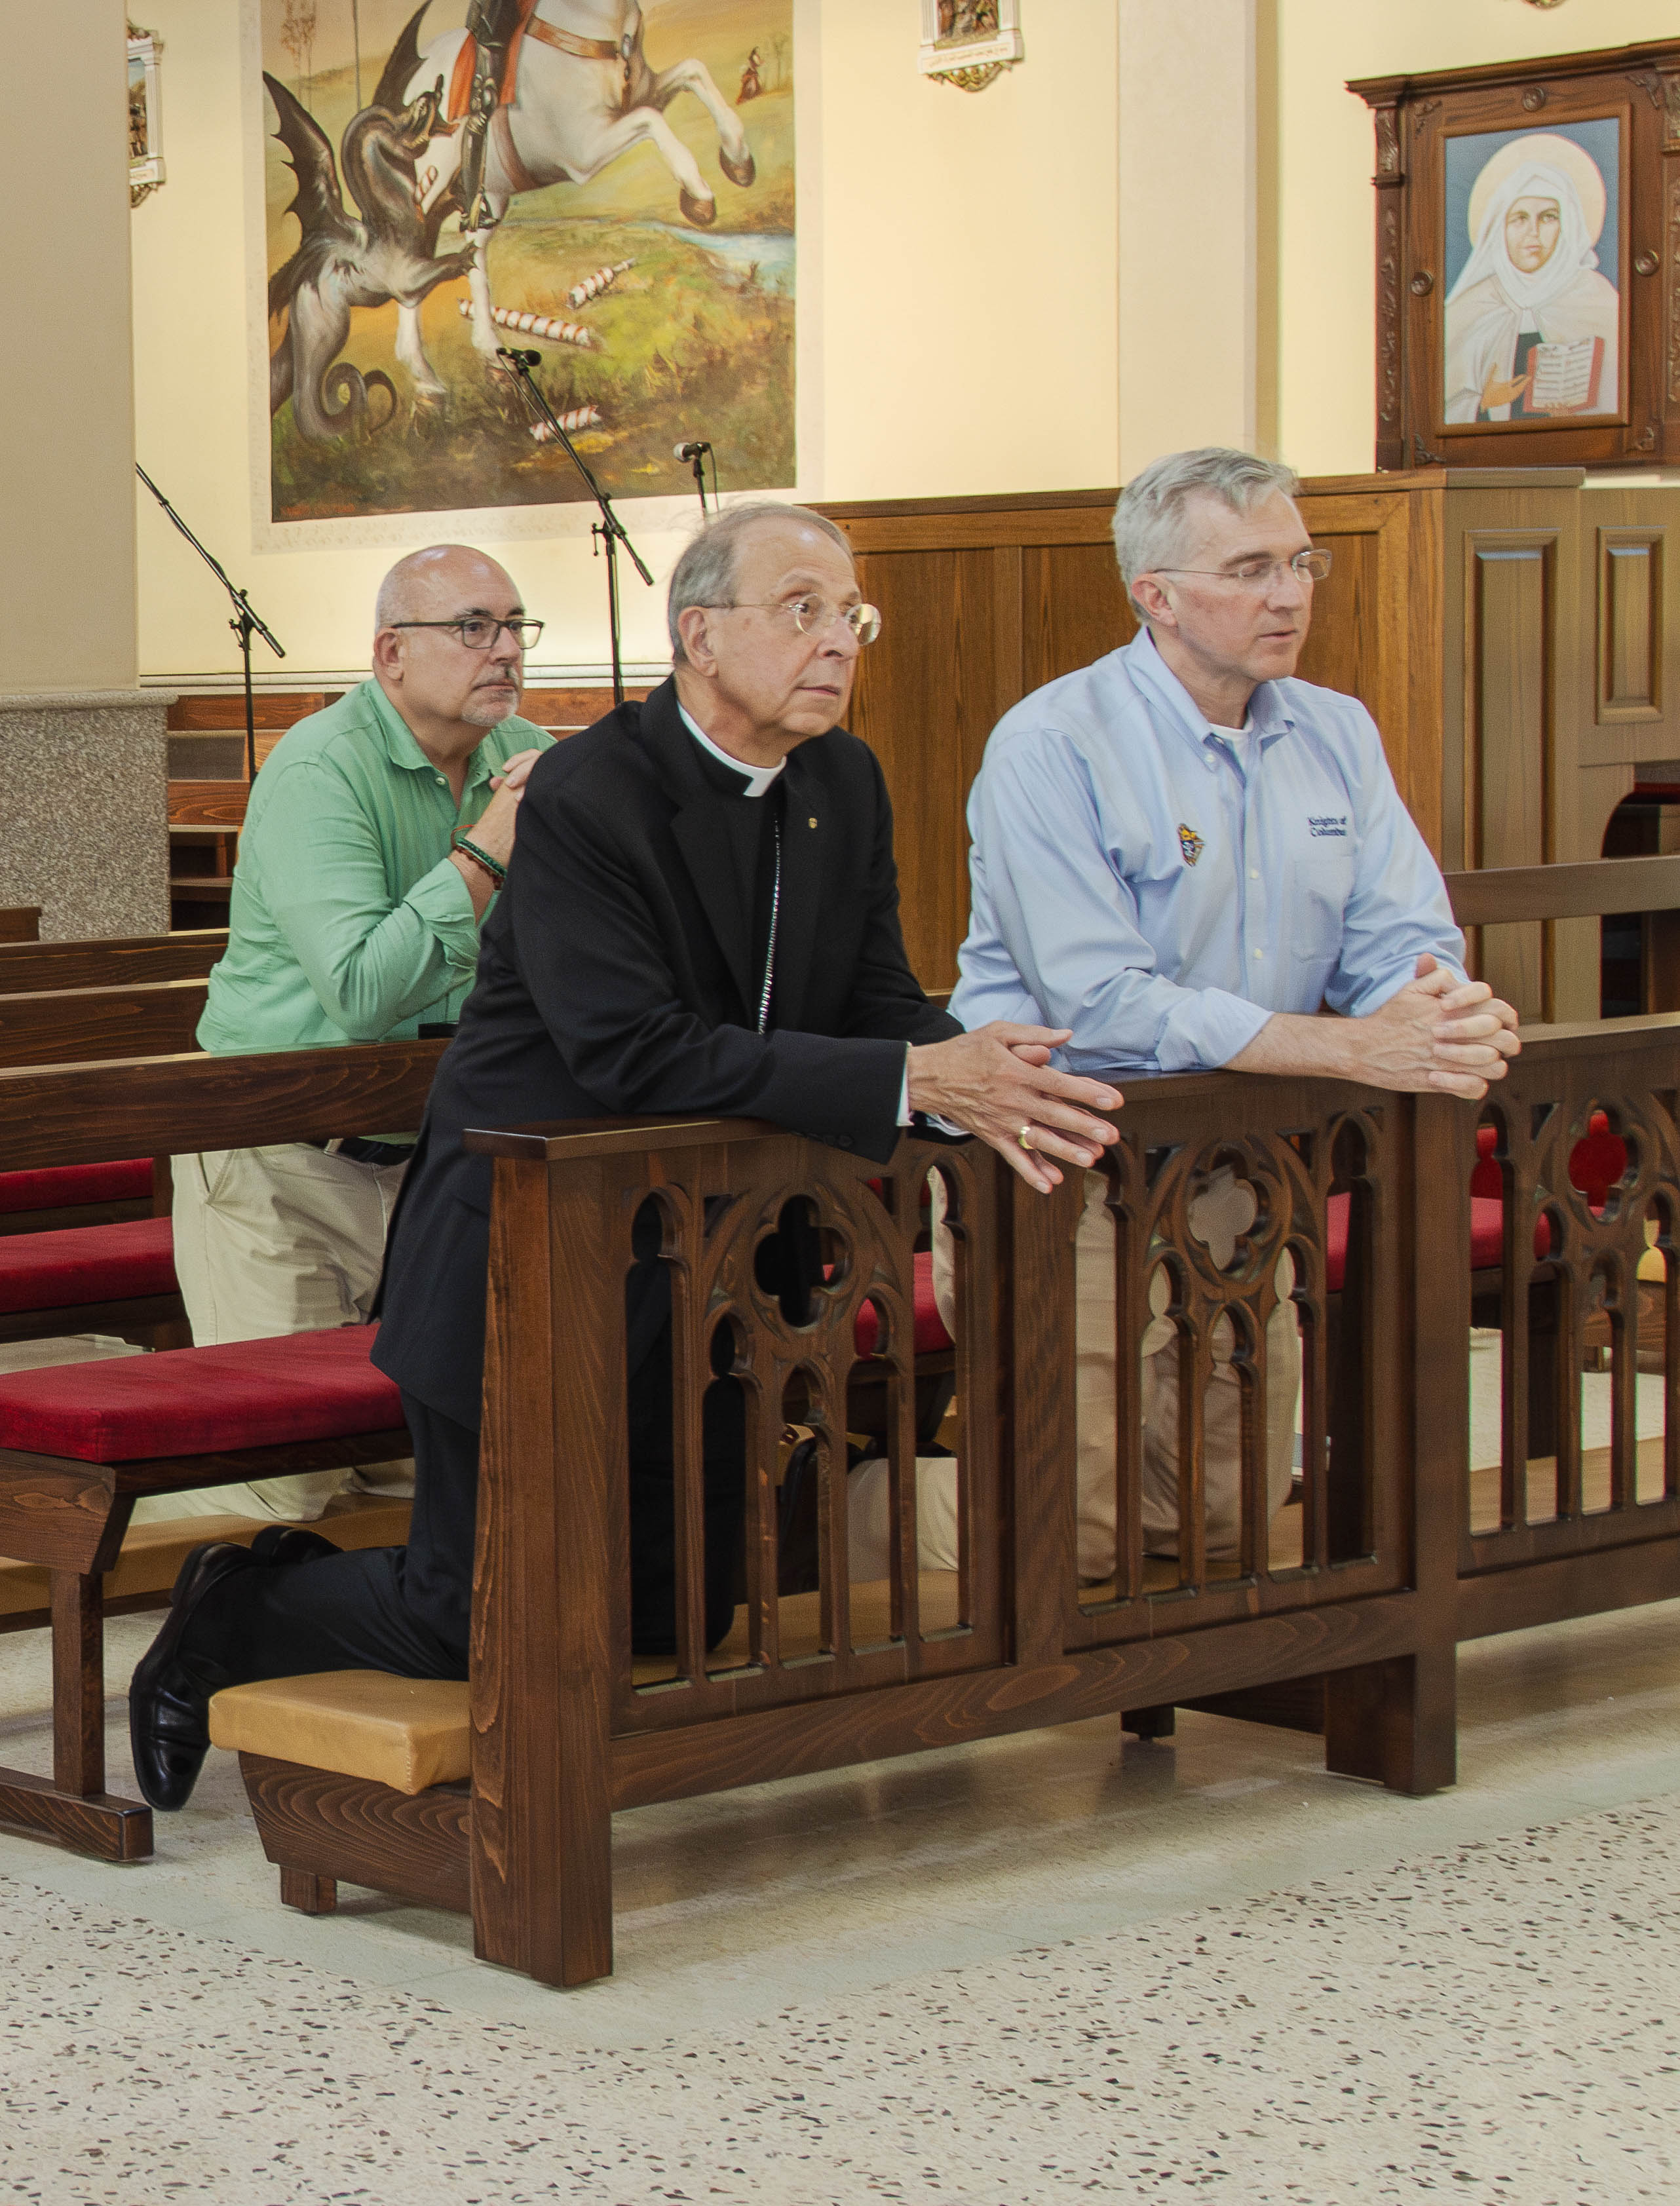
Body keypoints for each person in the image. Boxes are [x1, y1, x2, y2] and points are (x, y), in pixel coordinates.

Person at [124, 506, 1126, 1810]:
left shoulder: (843, 782)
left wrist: (985, 1082)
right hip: (526, 1247)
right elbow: (632, 1051)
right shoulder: (593, 791)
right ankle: (242, 1599)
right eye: (804, 609)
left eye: (853, 617)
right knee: (471, 1611)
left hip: (708, 1268)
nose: (841, 642)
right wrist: (909, 1080)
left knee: (676, 1610)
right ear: (699, 635)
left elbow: (875, 994)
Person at [917, 447, 1512, 1580]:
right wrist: (1352, 1045)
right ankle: (851, 1512)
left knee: (1224, 1510)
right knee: (1079, 1520)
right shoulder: (1053, 743)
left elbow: (1401, 930)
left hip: (1247, 1159)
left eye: (1299, 562)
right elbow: (1097, 997)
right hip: (1070, 1154)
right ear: (1158, 594)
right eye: (1250, 567)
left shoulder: (1332, 729)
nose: (1289, 593)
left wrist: (1436, 1011)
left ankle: (1186, 1720)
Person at [150, 544, 550, 1528]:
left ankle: (380, 1649)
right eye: (472, 628)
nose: (503, 651)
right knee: (282, 1479)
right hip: (281, 1156)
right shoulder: (321, 768)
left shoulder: (523, 753)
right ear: (390, 654)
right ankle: (186, 1632)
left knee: (441, 1452)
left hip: (436, 1163)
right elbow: (365, 992)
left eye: (514, 627)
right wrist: (487, 853)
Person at [1441, 133, 1623, 423]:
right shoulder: (1468, 309)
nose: (1533, 232)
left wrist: (1578, 415)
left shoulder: (1599, 302)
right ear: (1500, 229)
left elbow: (1620, 404)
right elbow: (1439, 414)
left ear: (1567, 226)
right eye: (1520, 218)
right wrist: (1484, 404)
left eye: (1548, 217)